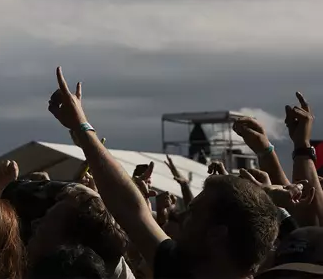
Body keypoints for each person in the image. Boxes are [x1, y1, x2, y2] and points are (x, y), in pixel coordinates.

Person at [47, 67, 279, 279]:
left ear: (217, 234)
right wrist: (82, 126)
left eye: (194, 213)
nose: (184, 217)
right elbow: (129, 207)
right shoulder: (180, 267)